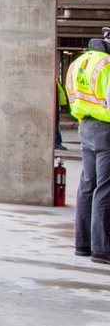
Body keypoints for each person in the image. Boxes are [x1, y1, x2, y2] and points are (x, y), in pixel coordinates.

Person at [66, 36, 110, 264]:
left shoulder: (79, 63)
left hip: (85, 126)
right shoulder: (107, 65)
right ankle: (102, 249)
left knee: (87, 185)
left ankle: (82, 244)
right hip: (106, 129)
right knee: (105, 187)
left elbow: (71, 96)